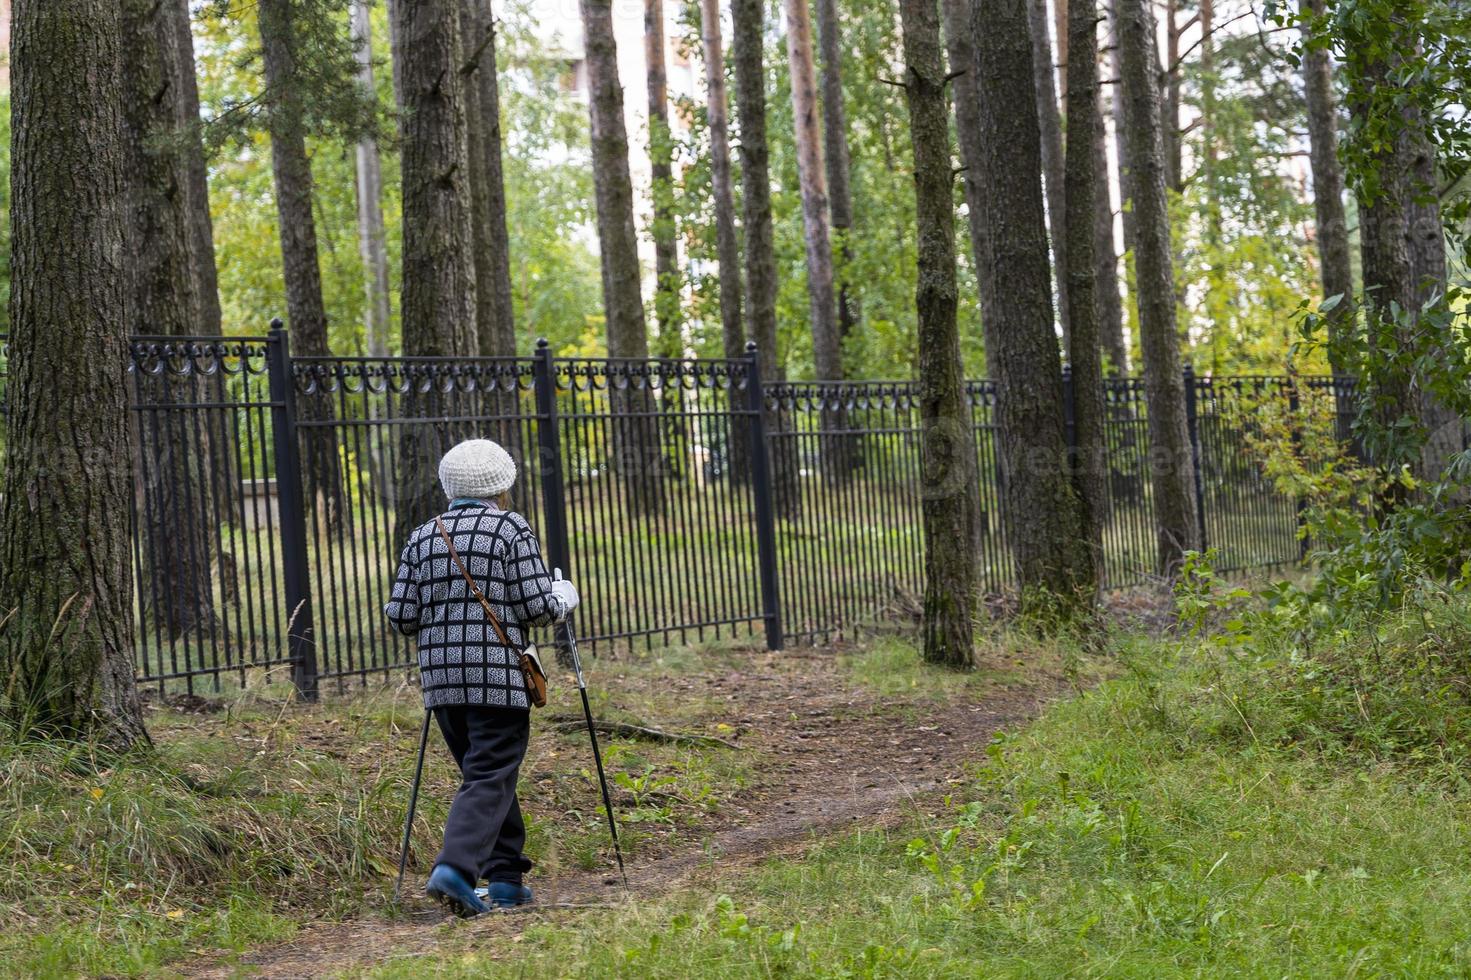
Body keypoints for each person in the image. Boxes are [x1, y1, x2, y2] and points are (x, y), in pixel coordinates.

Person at [384, 438, 579, 917]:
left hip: (443, 685)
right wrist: (564, 596)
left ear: (448, 485)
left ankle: (507, 879)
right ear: (503, 484)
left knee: (486, 776)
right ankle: (454, 869)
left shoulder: (423, 535)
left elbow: (401, 616)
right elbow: (536, 608)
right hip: (498, 679)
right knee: (490, 776)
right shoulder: (511, 529)